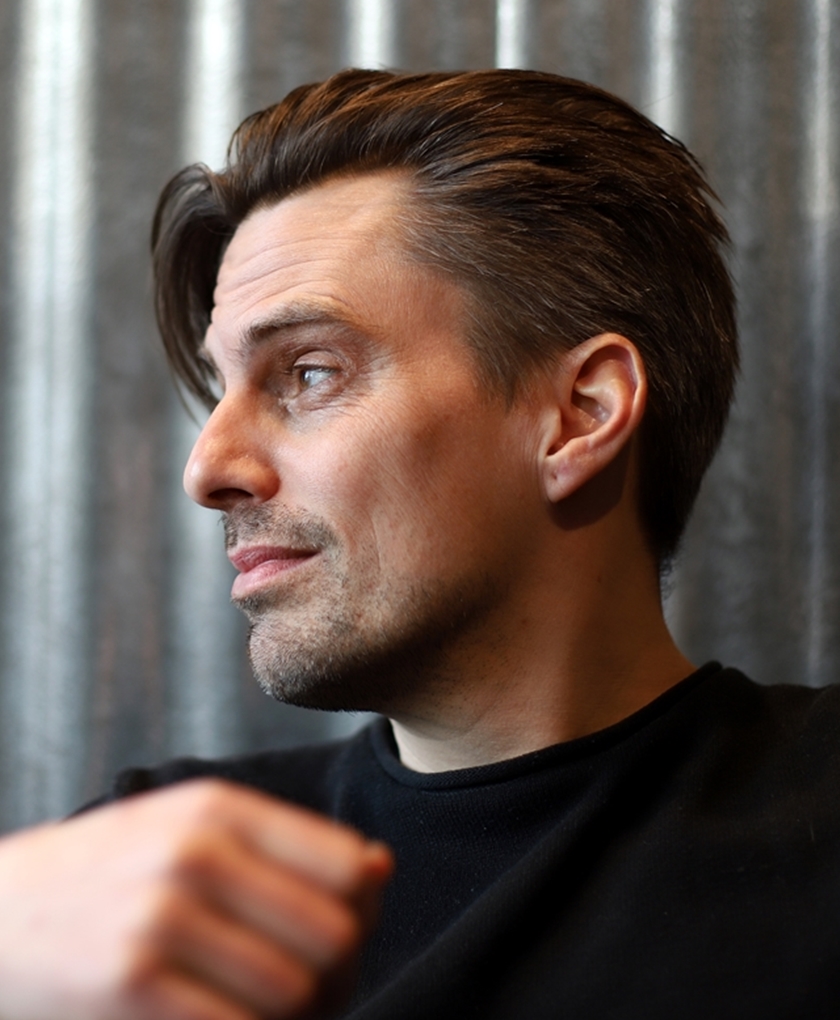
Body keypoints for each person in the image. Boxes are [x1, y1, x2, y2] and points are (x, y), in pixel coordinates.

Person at [0, 68, 838, 1020]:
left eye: (309, 373)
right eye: (221, 388)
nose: (208, 468)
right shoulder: (158, 882)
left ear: (579, 415)